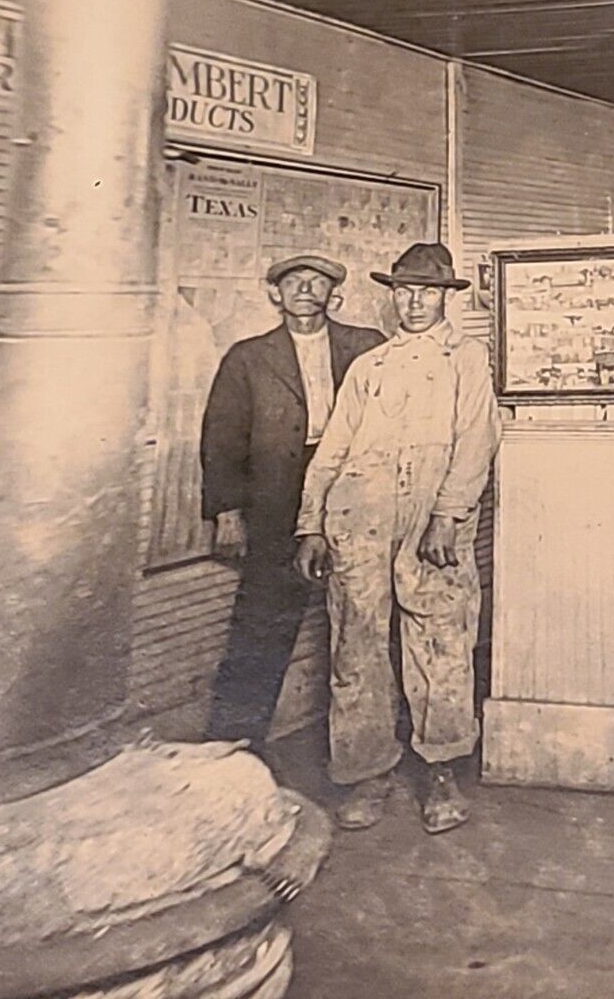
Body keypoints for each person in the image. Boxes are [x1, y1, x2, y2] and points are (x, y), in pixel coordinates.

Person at [294, 242, 501, 835]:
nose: (414, 302)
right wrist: (311, 523)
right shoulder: (371, 367)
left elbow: (475, 443)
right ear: (392, 295)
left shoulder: (466, 359)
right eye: (404, 290)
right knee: (353, 644)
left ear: (446, 297)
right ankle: (367, 771)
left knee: (438, 640)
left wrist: (448, 515)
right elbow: (333, 449)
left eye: (427, 291)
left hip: (430, 518)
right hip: (359, 517)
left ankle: (440, 770)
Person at [200, 254, 385, 752]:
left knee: (363, 619)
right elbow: (222, 438)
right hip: (274, 500)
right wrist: (228, 512)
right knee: (261, 623)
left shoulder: (367, 347)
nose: (305, 289)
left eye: (317, 282)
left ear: (335, 297)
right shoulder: (247, 357)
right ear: (274, 295)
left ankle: (369, 750)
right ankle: (234, 748)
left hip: (352, 491)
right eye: (293, 282)